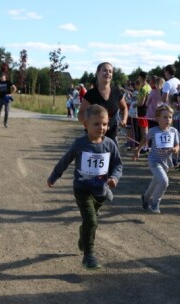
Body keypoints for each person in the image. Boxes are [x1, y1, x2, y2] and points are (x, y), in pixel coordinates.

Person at [47, 104, 123, 270]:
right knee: (91, 220)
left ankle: (84, 237)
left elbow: (118, 165)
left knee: (90, 221)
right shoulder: (80, 143)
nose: (101, 128)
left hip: (101, 191)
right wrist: (54, 176)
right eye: (96, 124)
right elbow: (65, 160)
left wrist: (114, 178)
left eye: (104, 124)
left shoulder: (109, 144)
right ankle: (88, 255)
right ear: (85, 125)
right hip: (82, 189)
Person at [133, 105, 180, 213]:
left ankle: (145, 198)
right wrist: (137, 151)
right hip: (154, 160)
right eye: (165, 117)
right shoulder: (153, 130)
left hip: (166, 162)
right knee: (164, 181)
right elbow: (144, 140)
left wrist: (175, 149)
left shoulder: (173, 131)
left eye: (170, 117)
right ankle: (155, 203)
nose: (168, 120)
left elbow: (178, 146)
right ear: (157, 118)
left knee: (155, 182)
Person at [79, 62, 128, 144]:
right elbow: (80, 114)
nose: (108, 73)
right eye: (105, 70)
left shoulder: (116, 92)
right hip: (93, 138)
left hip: (112, 137)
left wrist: (124, 120)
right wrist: (91, 122)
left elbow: (124, 108)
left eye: (110, 71)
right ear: (97, 73)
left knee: (113, 157)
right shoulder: (90, 94)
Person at [136, 71, 152, 153]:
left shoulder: (143, 88)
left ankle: (145, 147)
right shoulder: (148, 86)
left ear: (141, 77)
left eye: (139, 77)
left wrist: (134, 104)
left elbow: (141, 102)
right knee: (145, 129)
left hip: (142, 110)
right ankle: (146, 146)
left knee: (144, 130)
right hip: (147, 110)